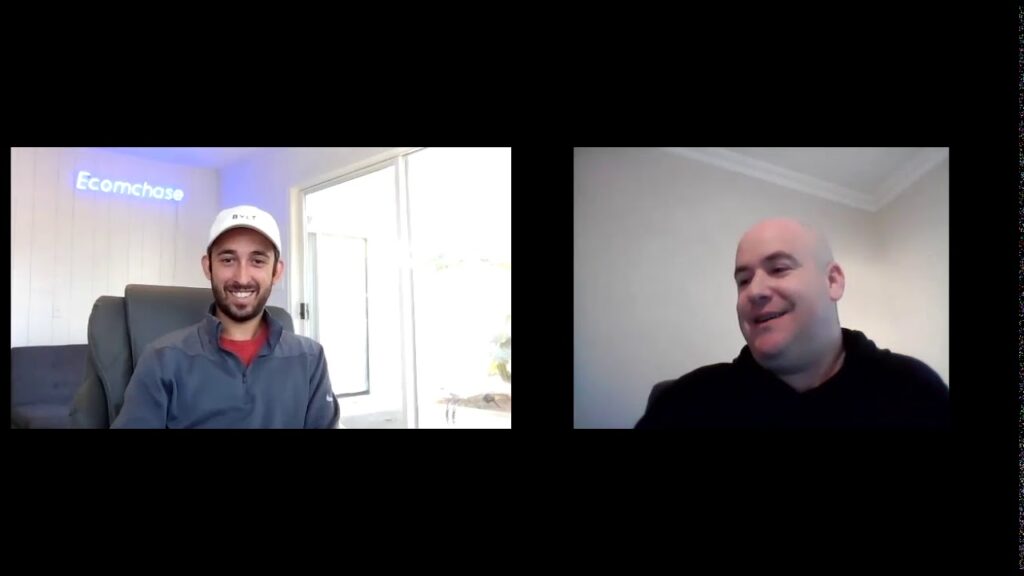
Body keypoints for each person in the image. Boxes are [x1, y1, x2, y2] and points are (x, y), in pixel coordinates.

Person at [635, 218, 949, 428]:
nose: (754, 291)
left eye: (779, 269)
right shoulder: (688, 402)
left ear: (832, 281)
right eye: (743, 280)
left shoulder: (913, 388)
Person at [112, 205, 340, 428]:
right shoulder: (162, 359)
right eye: (228, 260)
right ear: (208, 267)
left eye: (257, 261)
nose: (242, 277)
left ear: (276, 271)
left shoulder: (310, 358)